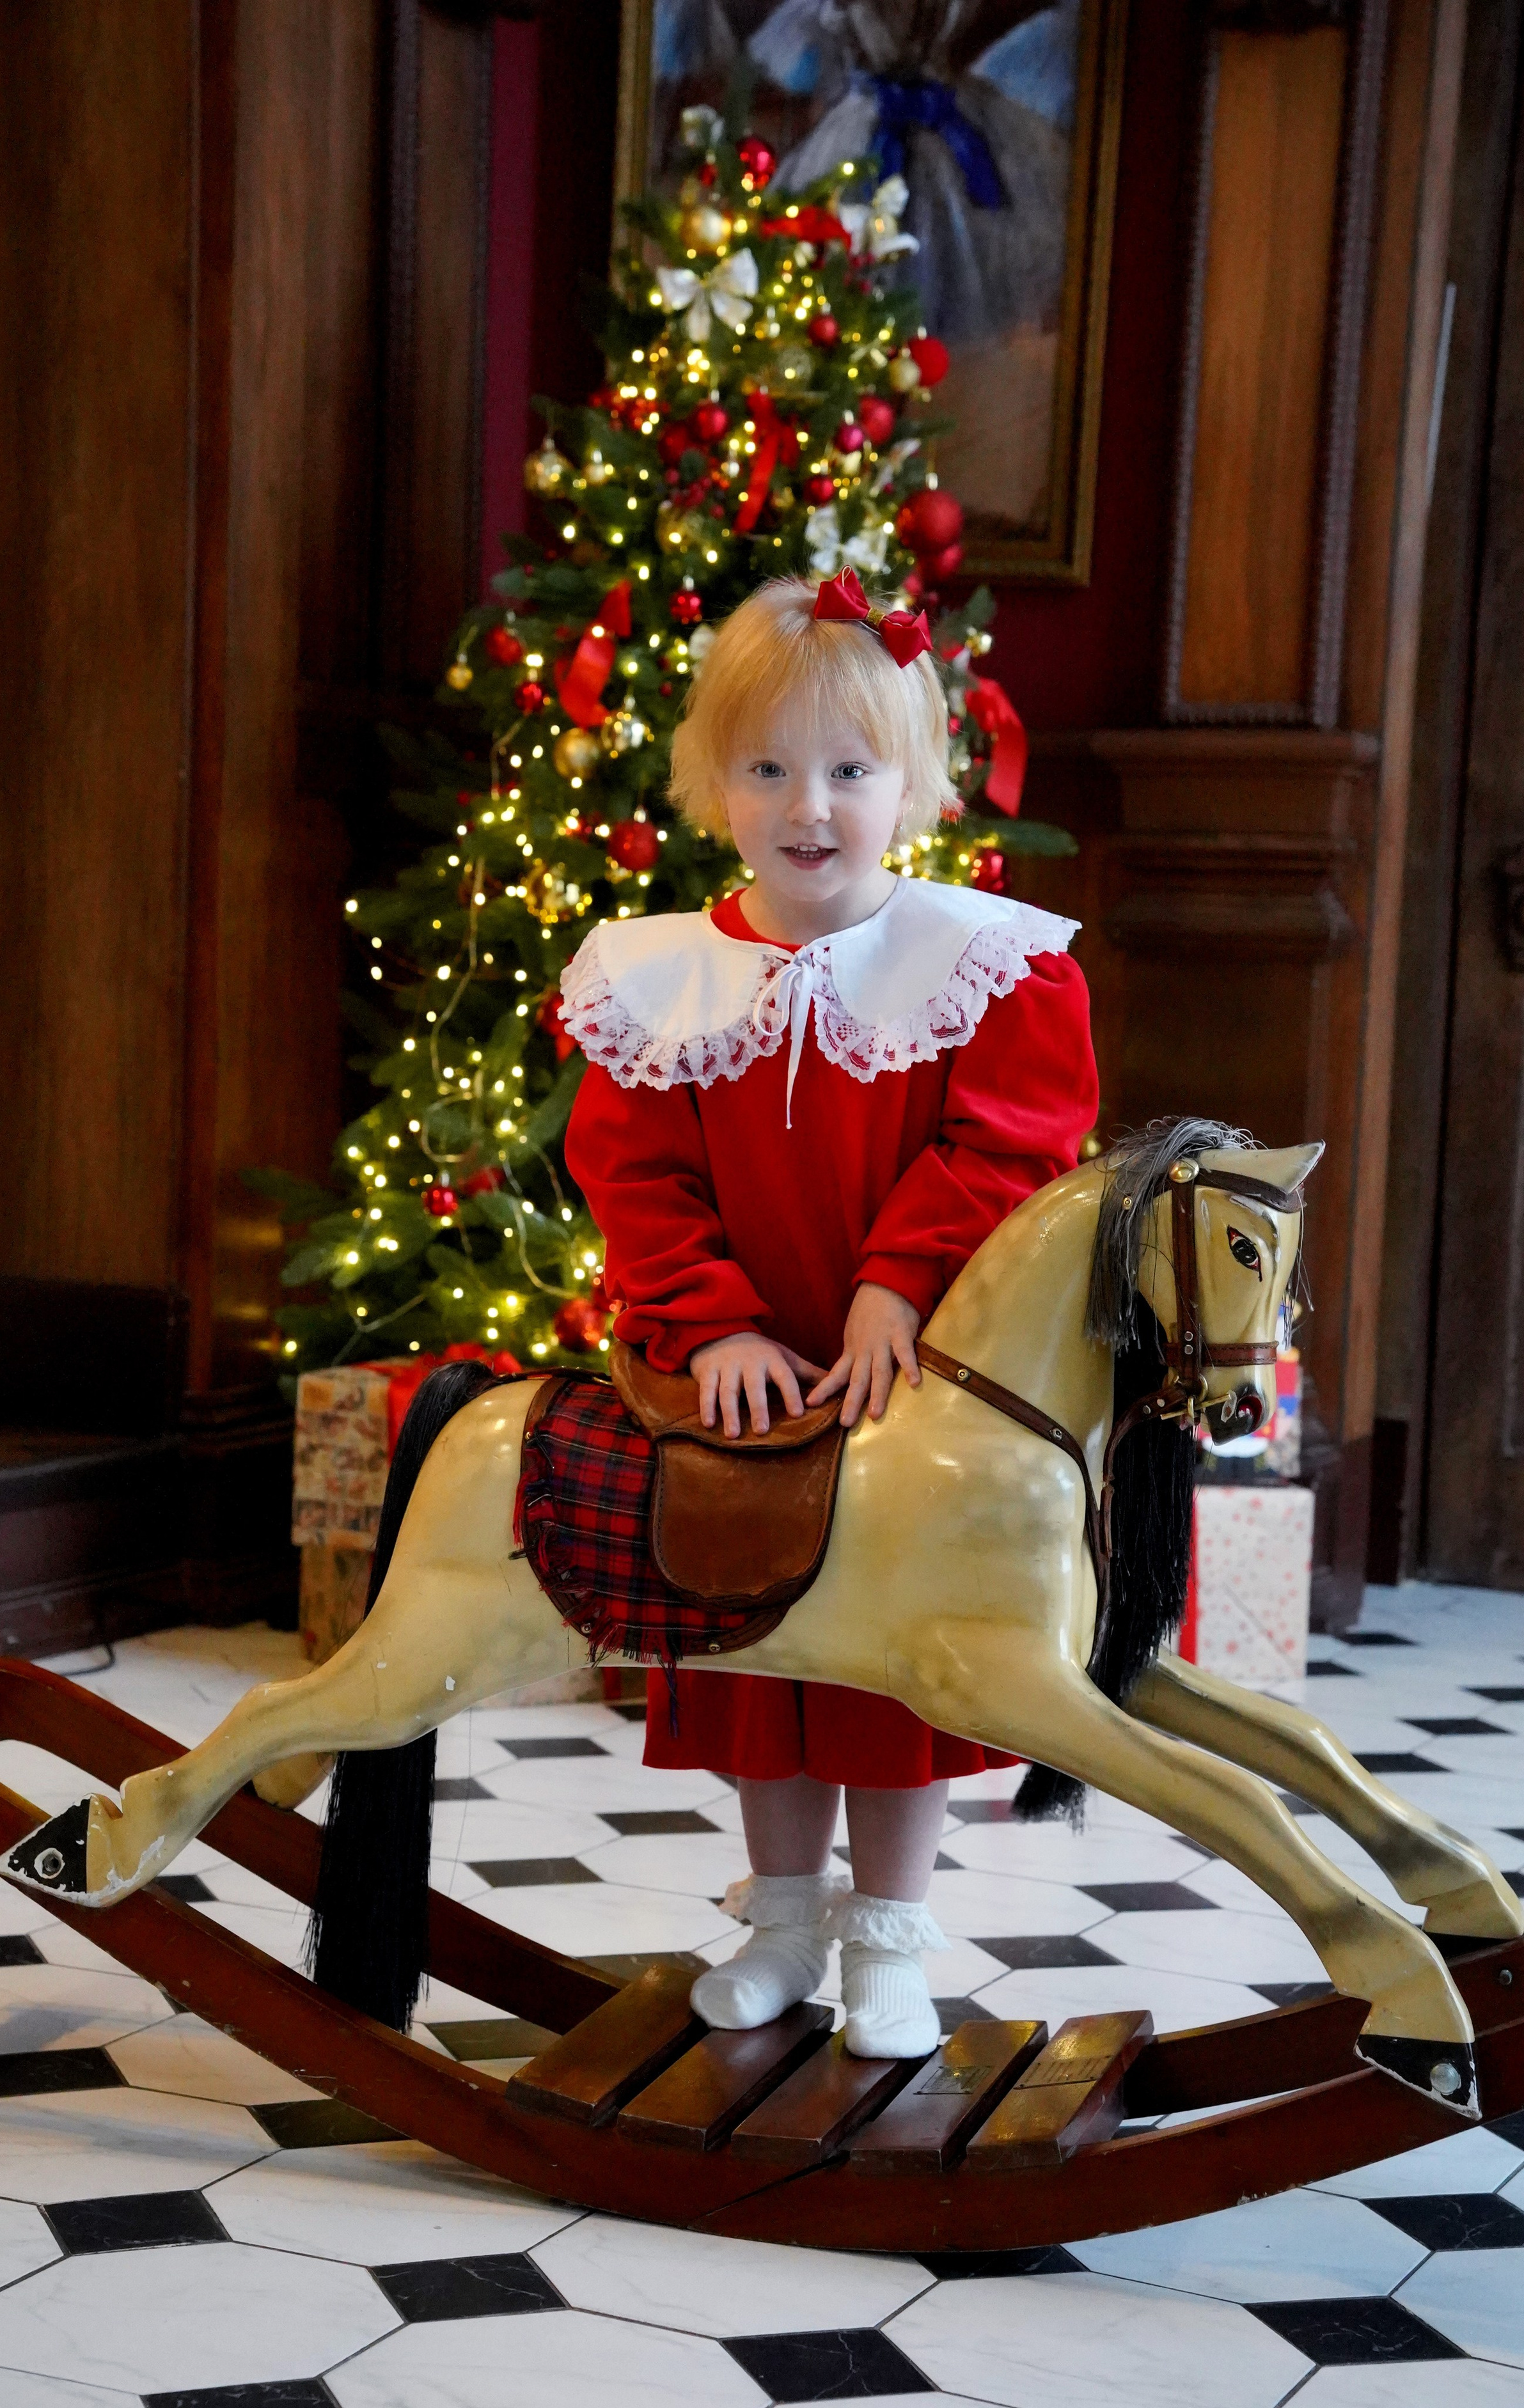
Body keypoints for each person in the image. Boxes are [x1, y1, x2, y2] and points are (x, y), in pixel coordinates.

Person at [561, 573, 1097, 2055]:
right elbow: (637, 1169)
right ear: (709, 782)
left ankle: (888, 1945)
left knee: (888, 1662)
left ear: (913, 784)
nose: (811, 805)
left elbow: (1007, 1142)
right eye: (768, 767)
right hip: (742, 1378)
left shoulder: (979, 967)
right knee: (765, 1642)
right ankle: (783, 1922)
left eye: (851, 771)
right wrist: (711, 1319)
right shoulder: (663, 978)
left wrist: (895, 1282)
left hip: (903, 1372)